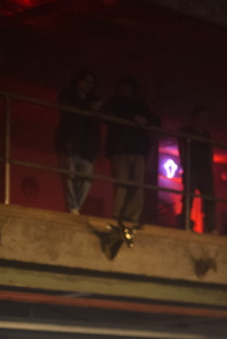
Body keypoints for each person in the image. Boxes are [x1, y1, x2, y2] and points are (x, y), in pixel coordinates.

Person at [104, 76, 160, 224]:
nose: (126, 90)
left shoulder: (140, 104)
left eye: (128, 87)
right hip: (121, 148)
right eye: (123, 86)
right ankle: (119, 215)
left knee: (136, 185)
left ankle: (131, 216)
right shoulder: (113, 102)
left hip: (137, 149)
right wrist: (134, 118)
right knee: (122, 183)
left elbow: (156, 120)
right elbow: (107, 115)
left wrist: (146, 120)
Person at [54, 69, 101, 214]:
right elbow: (67, 108)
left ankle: (75, 207)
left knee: (86, 179)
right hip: (70, 143)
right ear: (78, 81)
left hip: (87, 147)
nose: (88, 85)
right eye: (86, 81)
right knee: (69, 177)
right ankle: (73, 207)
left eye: (91, 82)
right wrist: (89, 108)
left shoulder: (94, 100)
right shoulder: (68, 95)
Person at [179, 106, 215, 233]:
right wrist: (185, 165)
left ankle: (212, 227)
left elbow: (210, 151)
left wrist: (210, 166)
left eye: (205, 118)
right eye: (202, 117)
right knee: (188, 198)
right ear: (195, 117)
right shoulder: (186, 131)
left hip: (205, 171)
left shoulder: (206, 134)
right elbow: (182, 148)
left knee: (209, 200)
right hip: (192, 168)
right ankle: (185, 225)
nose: (203, 120)